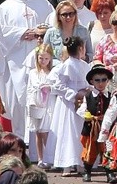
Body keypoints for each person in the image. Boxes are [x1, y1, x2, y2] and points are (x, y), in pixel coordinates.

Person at [0, 0, 54, 139]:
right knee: (17, 102)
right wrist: (21, 33)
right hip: (15, 62)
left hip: (39, 59)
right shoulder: (5, 8)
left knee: (39, 99)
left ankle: (38, 142)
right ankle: (20, 139)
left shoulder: (44, 5)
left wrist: (39, 33)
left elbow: (52, 29)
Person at [46, 36, 90, 176]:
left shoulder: (84, 65)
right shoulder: (66, 65)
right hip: (68, 104)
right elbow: (58, 84)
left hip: (82, 103)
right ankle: (66, 163)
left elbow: (88, 83)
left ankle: (80, 162)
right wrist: (73, 94)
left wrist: (86, 91)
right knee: (67, 131)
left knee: (79, 132)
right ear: (80, 48)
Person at [76, 64, 112, 182]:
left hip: (106, 128)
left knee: (107, 150)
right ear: (92, 81)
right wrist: (86, 115)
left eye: (103, 80)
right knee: (90, 151)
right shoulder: (88, 95)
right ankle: (87, 171)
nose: (100, 83)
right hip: (91, 128)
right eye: (97, 80)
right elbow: (82, 109)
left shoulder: (111, 96)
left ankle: (110, 173)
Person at [27, 44, 55, 167]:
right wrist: (31, 102)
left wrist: (49, 88)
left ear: (50, 59)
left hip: (48, 104)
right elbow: (29, 89)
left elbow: (56, 88)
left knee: (46, 131)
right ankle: (40, 158)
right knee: (38, 132)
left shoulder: (52, 73)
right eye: (40, 58)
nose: (43, 61)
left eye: (46, 59)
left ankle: (50, 157)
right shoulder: (33, 73)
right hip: (37, 103)